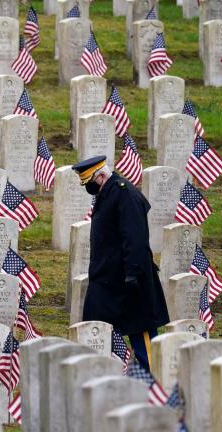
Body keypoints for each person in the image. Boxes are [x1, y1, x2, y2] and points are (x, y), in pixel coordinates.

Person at [72, 155, 169, 373]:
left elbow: (134, 237)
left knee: (141, 330)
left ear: (102, 176)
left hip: (130, 279)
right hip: (107, 279)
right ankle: (99, 373)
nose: (90, 188)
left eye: (90, 183)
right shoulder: (108, 193)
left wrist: (133, 274)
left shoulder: (124, 194)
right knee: (94, 328)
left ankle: (155, 379)